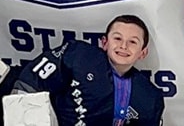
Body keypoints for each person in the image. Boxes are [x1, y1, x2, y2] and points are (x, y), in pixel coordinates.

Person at [12, 15, 165, 126]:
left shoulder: (151, 97)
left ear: (143, 53)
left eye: (132, 42)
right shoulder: (78, 57)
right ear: (104, 43)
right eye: (117, 39)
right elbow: (31, 83)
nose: (123, 46)